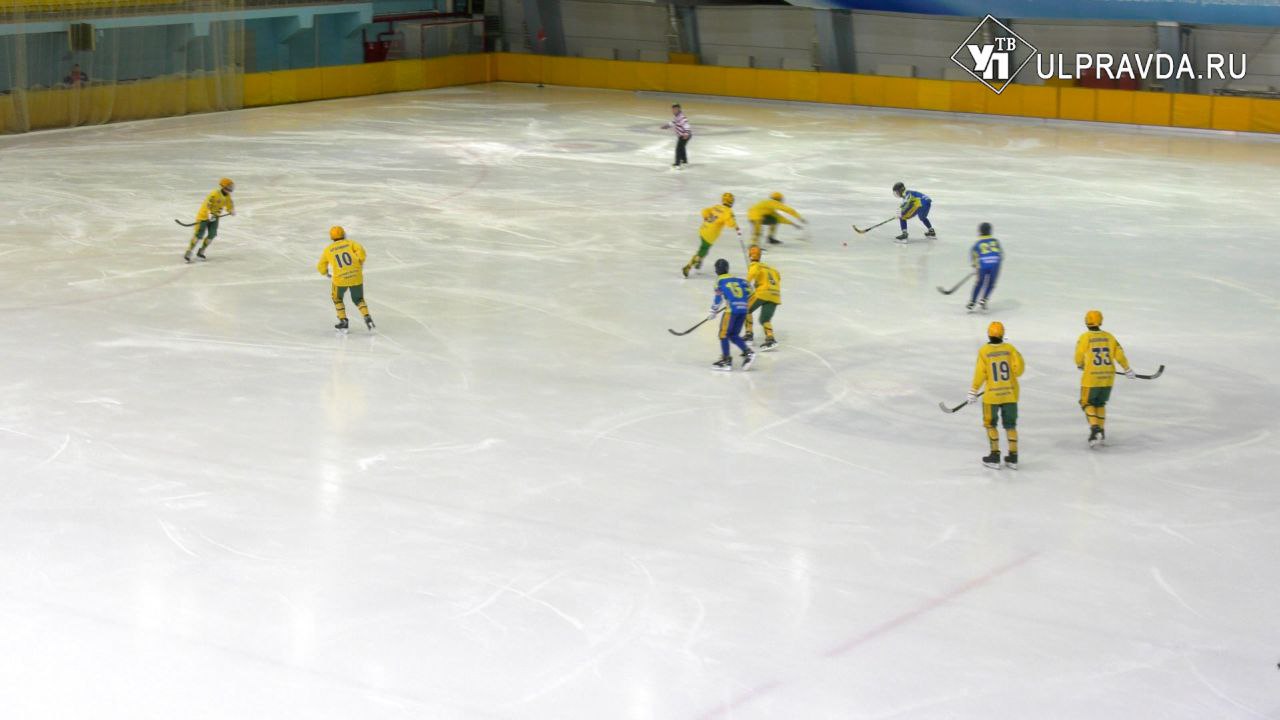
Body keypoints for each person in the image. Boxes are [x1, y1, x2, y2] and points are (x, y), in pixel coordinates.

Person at [968, 321, 1024, 469]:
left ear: (988, 334)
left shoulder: (984, 351)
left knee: (990, 424)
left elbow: (980, 373)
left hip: (991, 396)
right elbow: (1019, 371)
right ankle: (1013, 457)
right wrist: (1015, 353)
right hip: (1010, 394)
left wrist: (973, 390)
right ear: (1003, 334)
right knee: (1010, 426)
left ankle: (994, 456)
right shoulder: (1010, 349)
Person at [1074, 309, 1133, 447]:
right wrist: (1127, 369)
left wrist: (1080, 364)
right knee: (1100, 404)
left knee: (1086, 403)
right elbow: (1119, 354)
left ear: (1086, 321)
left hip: (1091, 377)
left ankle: (1095, 428)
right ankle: (1101, 431)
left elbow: (1078, 355)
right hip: (1108, 377)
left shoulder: (1085, 337)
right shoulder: (1109, 337)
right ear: (1100, 321)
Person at [317, 226, 375, 332]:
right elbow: (361, 253)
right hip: (356, 276)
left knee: (337, 298)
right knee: (358, 299)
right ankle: (366, 316)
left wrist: (325, 273)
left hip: (340, 279)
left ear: (331, 237)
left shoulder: (328, 250)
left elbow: (321, 265)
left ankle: (343, 320)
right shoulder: (351, 243)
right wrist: (359, 262)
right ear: (344, 234)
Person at [708, 258, 755, 371]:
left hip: (731, 311)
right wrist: (740, 300)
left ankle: (726, 360)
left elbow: (718, 298)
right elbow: (751, 291)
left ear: (716, 270)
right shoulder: (739, 280)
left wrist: (713, 310)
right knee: (733, 335)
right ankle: (748, 352)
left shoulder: (719, 281)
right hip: (743, 309)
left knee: (723, 334)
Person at [682, 192, 741, 278]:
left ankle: (699, 261)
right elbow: (730, 223)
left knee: (704, 249)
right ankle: (689, 266)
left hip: (703, 229)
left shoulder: (717, 206)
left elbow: (704, 211)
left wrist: (706, 217)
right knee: (702, 251)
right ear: (731, 202)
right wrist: (736, 225)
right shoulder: (728, 211)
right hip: (710, 235)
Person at [185, 178, 235, 262]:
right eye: (229, 186)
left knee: (212, 234)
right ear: (224, 186)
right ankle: (189, 251)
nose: (230, 189)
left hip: (215, 217)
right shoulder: (215, 193)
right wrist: (209, 214)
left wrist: (231, 210)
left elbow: (229, 204)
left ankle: (201, 251)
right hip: (203, 217)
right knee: (199, 234)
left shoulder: (227, 196)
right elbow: (207, 204)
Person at [743, 245, 781, 350]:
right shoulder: (772, 269)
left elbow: (751, 276)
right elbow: (778, 277)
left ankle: (749, 335)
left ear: (750, 256)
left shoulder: (754, 265)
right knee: (765, 319)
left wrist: (745, 286)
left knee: (745, 309)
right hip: (775, 295)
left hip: (762, 293)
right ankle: (770, 338)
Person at [967, 222, 1003, 312]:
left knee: (979, 283)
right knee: (991, 283)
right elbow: (1000, 254)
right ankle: (984, 300)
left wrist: (975, 266)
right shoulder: (995, 241)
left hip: (983, 264)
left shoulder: (977, 244)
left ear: (980, 231)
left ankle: (972, 301)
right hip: (995, 264)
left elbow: (974, 256)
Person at [660, 103, 692, 168]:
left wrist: (686, 133)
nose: (673, 111)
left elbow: (686, 125)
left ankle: (677, 164)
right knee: (682, 148)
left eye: (675, 109)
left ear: (679, 109)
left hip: (684, 135)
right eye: (673, 109)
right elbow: (673, 122)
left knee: (678, 149)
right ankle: (684, 161)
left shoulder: (682, 117)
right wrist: (666, 126)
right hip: (683, 135)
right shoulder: (677, 116)